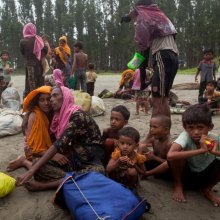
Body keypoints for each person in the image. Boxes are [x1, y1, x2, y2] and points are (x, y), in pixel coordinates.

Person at [16, 86, 105, 191]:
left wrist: (30, 172)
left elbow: (58, 144)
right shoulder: (58, 116)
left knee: (97, 174)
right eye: (51, 97)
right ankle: (72, 179)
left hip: (91, 161)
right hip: (75, 159)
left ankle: (46, 185)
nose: (50, 100)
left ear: (65, 97)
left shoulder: (78, 116)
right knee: (38, 164)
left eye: (55, 95)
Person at [121, 0, 178, 117]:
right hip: (173, 57)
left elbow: (144, 51)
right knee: (163, 98)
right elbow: (138, 9)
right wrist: (128, 17)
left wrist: (142, 81)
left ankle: (157, 131)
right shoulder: (160, 16)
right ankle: (163, 131)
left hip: (162, 56)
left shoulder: (143, 19)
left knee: (156, 99)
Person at [167, 104, 220, 206]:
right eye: (191, 128)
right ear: (185, 128)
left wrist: (214, 152)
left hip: (205, 174)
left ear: (210, 127)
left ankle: (207, 189)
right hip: (187, 173)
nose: (196, 132)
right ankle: (178, 184)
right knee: (178, 154)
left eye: (200, 127)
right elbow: (170, 155)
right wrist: (201, 150)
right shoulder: (185, 136)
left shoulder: (214, 139)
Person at [7, 86, 52, 171]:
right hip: (34, 152)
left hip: (44, 149)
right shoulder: (35, 115)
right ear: (37, 102)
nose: (46, 103)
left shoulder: (49, 113)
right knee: (42, 170)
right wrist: (53, 154)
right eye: (42, 100)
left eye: (48, 99)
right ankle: (24, 161)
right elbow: (35, 148)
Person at [20, 23, 45, 98]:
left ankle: (31, 101)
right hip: (39, 65)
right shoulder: (38, 39)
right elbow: (45, 51)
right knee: (40, 83)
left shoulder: (23, 41)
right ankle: (40, 100)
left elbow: (23, 53)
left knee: (30, 84)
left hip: (29, 65)